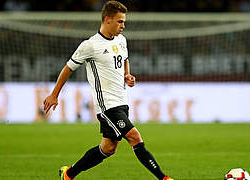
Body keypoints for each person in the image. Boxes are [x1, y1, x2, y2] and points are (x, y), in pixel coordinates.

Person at [43, 1, 173, 180]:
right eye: (120, 21)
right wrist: (54, 94)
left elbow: (124, 59)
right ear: (107, 19)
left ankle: (68, 174)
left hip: (122, 101)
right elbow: (68, 68)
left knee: (108, 148)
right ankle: (164, 178)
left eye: (124, 22)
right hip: (107, 106)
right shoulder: (90, 45)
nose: (123, 25)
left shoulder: (121, 40)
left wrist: (127, 75)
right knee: (135, 137)